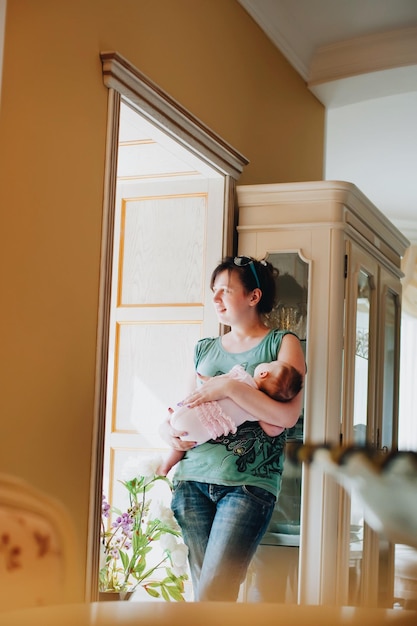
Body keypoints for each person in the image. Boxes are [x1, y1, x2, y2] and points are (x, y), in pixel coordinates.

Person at [159, 255, 306, 601]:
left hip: (247, 486)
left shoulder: (283, 344)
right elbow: (189, 405)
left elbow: (286, 418)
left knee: (214, 593)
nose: (216, 299)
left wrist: (229, 388)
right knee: (206, 596)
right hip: (192, 481)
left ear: (253, 297)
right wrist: (167, 431)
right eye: (214, 291)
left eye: (225, 290)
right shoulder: (205, 349)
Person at [158, 359, 303, 476]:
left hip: (185, 412)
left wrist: (206, 380)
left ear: (264, 373)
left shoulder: (241, 377)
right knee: (184, 444)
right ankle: (167, 466)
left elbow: (218, 383)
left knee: (180, 442)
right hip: (200, 434)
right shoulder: (254, 410)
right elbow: (274, 429)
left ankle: (166, 464)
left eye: (271, 363)